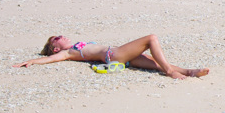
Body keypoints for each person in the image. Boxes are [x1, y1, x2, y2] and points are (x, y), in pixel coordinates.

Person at [13, 34, 209, 79]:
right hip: (113, 55)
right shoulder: (67, 52)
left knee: (155, 63)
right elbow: (49, 59)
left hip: (117, 56)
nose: (61, 36)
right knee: (151, 39)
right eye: (56, 38)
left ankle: (189, 72)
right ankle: (170, 72)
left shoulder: (74, 46)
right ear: (55, 48)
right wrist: (31, 61)